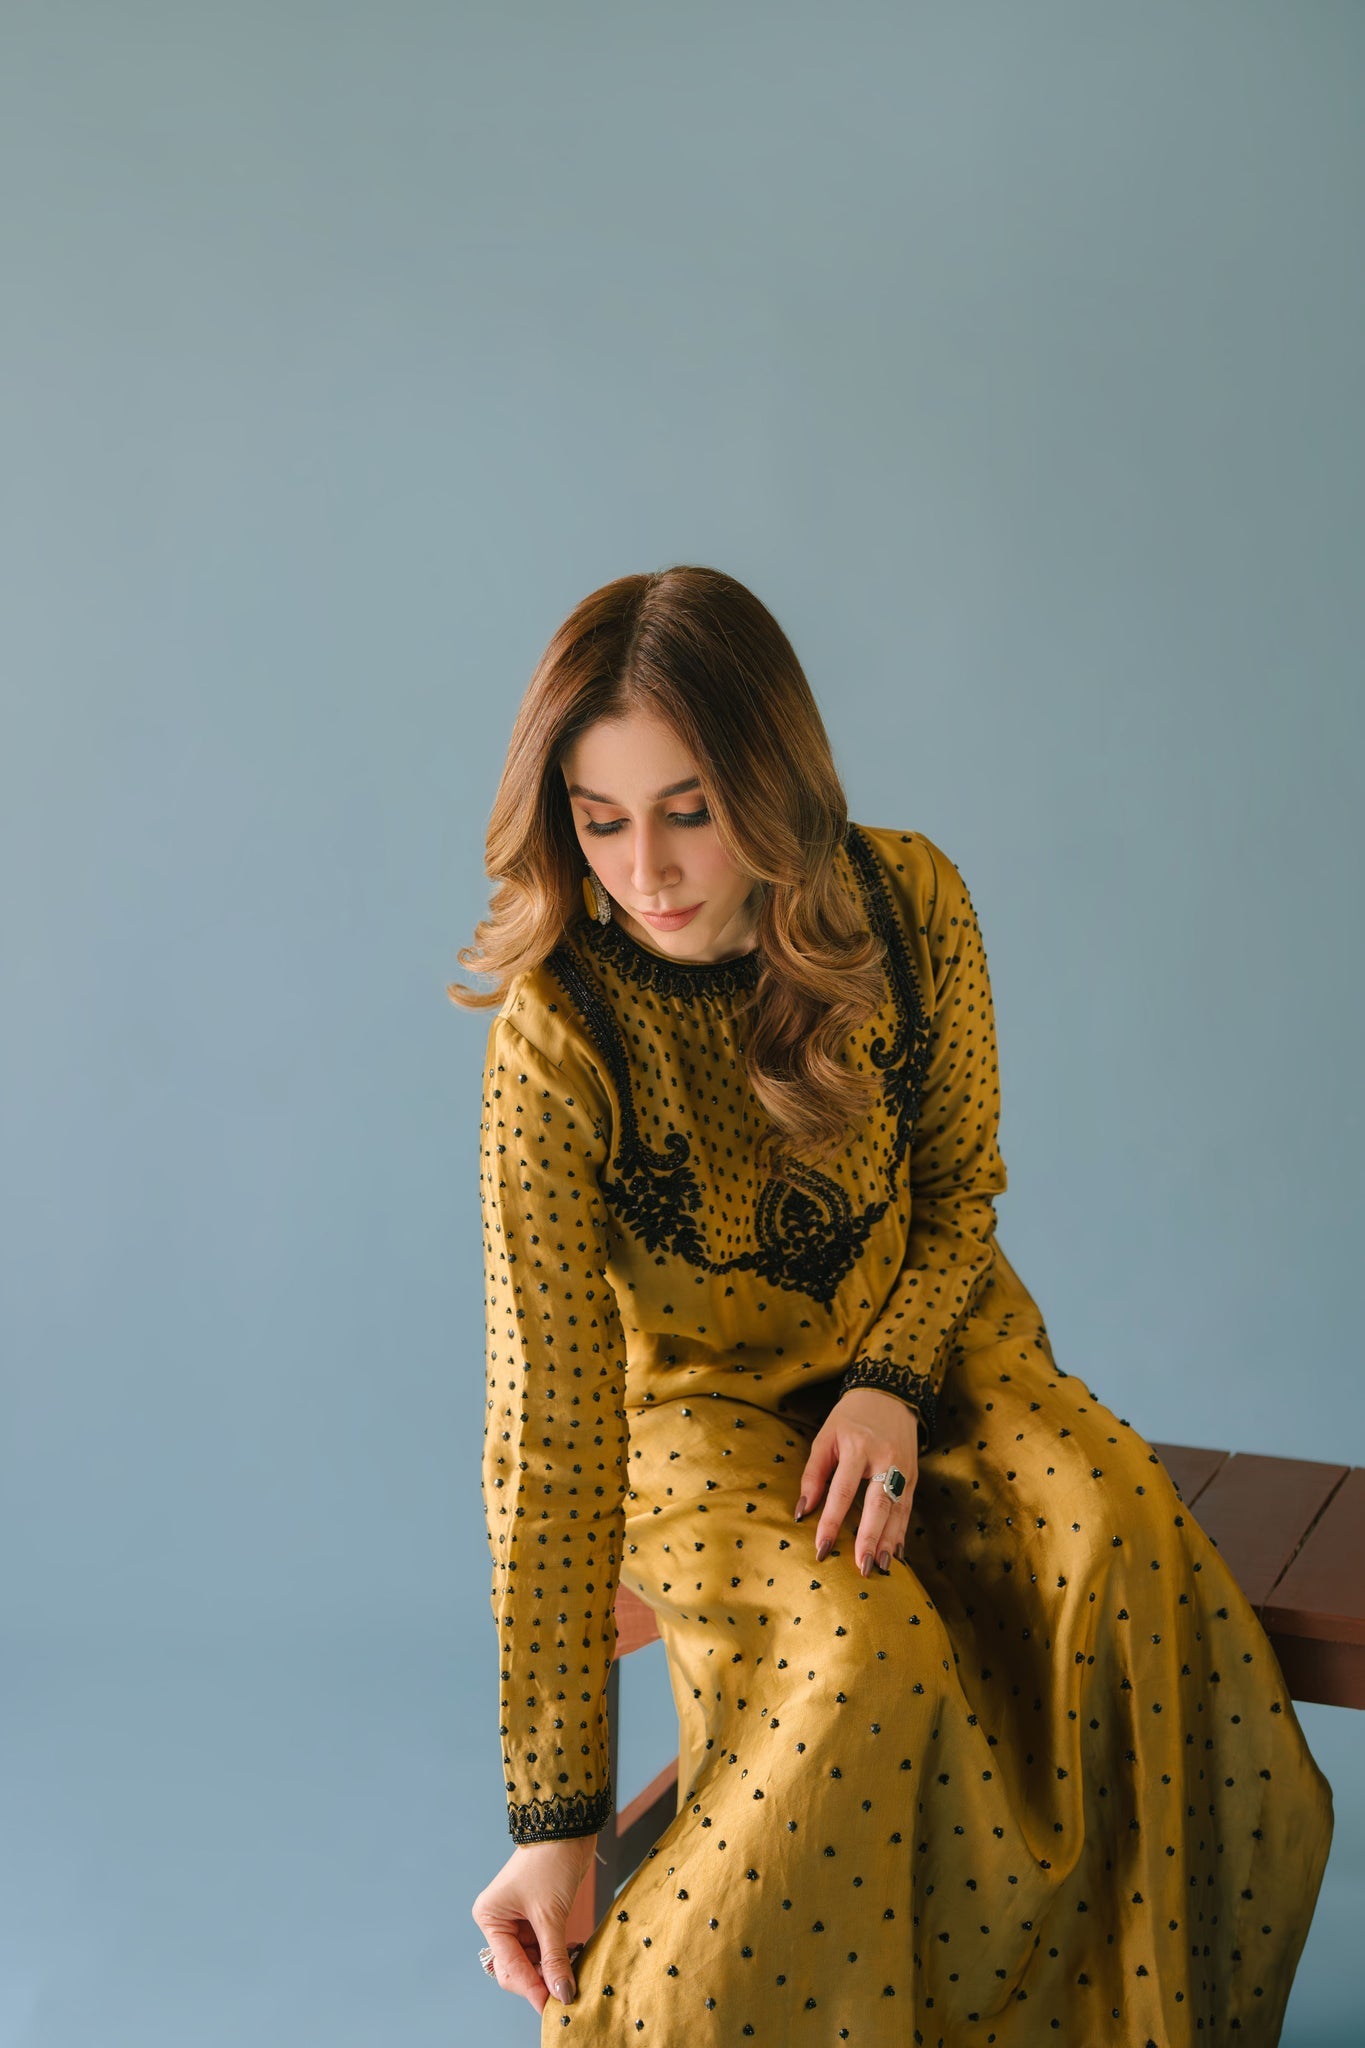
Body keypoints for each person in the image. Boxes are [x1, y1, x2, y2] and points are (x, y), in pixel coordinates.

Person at [448, 565, 1334, 2045]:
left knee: (1115, 1547)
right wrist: (554, 1818)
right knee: (863, 1662)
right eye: (599, 822)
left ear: (769, 782)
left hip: (930, 1345)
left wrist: (891, 1381)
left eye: (688, 811)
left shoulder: (910, 904)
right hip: (692, 1417)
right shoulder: (560, 1031)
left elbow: (961, 1190)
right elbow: (549, 1423)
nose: (646, 871)